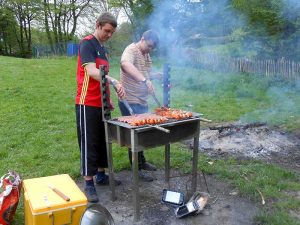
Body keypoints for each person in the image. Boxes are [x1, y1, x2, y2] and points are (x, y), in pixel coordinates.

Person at [75, 12, 125, 203]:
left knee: (104, 140)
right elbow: (92, 71)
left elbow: (102, 77)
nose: (109, 35)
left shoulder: (102, 49)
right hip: (86, 101)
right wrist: (113, 81)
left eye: (112, 32)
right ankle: (89, 182)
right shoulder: (87, 43)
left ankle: (102, 176)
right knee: (89, 142)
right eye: (107, 31)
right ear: (98, 25)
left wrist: (109, 99)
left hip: (102, 102)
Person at [118, 30, 161, 182]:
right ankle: (136, 168)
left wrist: (153, 77)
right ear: (142, 38)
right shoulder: (131, 50)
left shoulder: (147, 55)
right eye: (148, 46)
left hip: (141, 100)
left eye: (152, 48)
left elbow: (145, 74)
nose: (149, 50)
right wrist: (145, 80)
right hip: (129, 100)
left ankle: (142, 162)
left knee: (142, 133)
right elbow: (125, 64)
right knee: (134, 136)